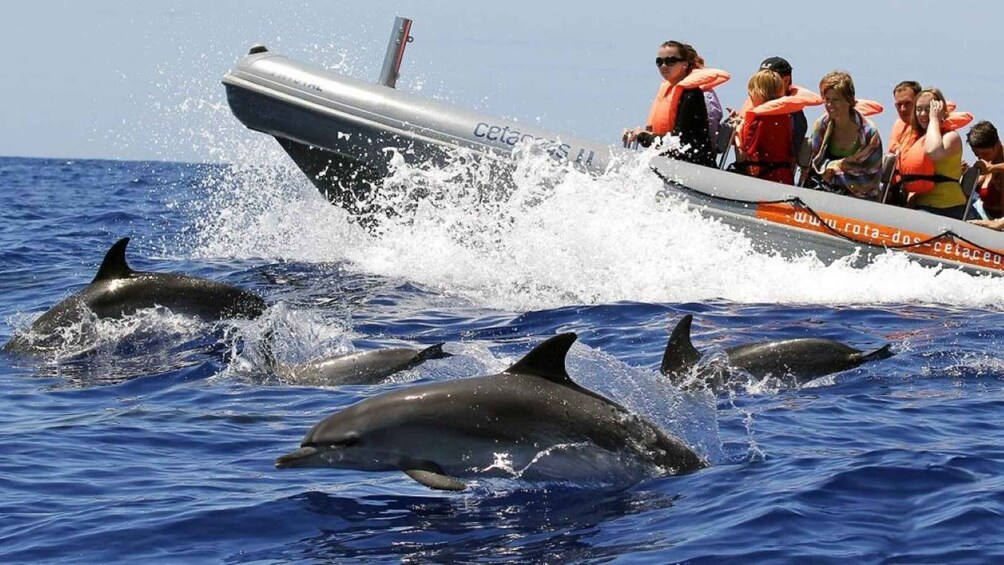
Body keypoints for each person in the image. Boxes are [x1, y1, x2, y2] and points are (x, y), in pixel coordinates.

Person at [623, 40, 729, 167]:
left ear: (684, 64)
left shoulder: (691, 95)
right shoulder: (670, 91)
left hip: (694, 167)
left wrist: (643, 137)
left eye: (670, 61)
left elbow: (678, 142)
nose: (663, 66)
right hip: (671, 163)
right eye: (659, 62)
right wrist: (638, 134)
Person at [803, 71, 884, 199]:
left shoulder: (869, 133)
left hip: (860, 197)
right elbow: (815, 163)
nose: (829, 105)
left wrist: (836, 167)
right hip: (822, 189)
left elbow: (870, 176)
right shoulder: (821, 126)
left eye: (835, 99)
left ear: (849, 100)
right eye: (827, 99)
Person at [896, 88, 969, 219]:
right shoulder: (915, 139)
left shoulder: (951, 137)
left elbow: (934, 152)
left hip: (947, 208)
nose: (923, 114)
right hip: (922, 205)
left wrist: (934, 119)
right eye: (919, 109)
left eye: (929, 109)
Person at [756, 56, 823, 171]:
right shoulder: (757, 107)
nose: (762, 84)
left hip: (773, 173)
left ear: (786, 81)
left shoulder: (794, 116)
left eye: (768, 79)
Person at [731, 70, 795, 184]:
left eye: (751, 94)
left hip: (766, 181)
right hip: (785, 180)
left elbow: (742, 157)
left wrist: (736, 132)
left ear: (759, 93)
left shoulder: (760, 119)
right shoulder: (786, 117)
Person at [965, 120, 1004, 219]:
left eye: (985, 154)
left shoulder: (993, 166)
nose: (981, 158)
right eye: (977, 155)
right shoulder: (986, 166)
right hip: (982, 213)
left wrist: (993, 168)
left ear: (997, 144)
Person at [888, 80, 922, 153]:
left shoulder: (933, 128)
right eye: (899, 105)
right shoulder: (900, 128)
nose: (902, 109)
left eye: (907, 103)